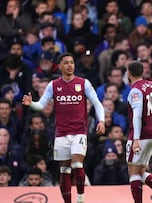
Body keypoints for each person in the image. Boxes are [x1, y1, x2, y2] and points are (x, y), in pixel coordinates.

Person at [22, 53, 105, 203]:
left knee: (77, 164)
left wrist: (102, 121)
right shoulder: (53, 85)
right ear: (60, 66)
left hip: (79, 131)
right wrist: (31, 103)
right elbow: (41, 105)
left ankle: (80, 198)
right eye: (66, 63)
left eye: (72, 63)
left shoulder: (83, 83)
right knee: (64, 170)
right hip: (61, 133)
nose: (70, 65)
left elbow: (97, 103)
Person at [126, 61, 152, 203]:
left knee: (133, 172)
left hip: (140, 135)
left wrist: (136, 139)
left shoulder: (135, 91)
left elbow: (137, 115)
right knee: (141, 170)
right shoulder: (151, 85)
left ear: (129, 73)